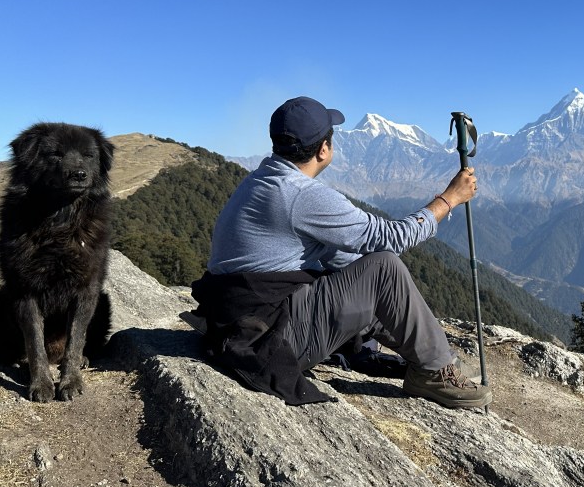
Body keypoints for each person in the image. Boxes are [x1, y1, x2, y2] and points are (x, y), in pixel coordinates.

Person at [191, 95, 492, 410]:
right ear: (324, 149)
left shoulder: (261, 181)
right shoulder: (300, 196)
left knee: (361, 268)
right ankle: (433, 372)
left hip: (240, 327)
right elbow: (389, 239)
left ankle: (431, 354)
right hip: (266, 341)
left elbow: (340, 259)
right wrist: (449, 199)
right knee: (383, 268)